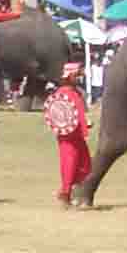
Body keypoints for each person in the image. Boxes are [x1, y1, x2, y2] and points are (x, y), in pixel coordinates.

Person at [48, 62, 91, 206]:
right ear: (70, 76)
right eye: (77, 75)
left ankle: (74, 193)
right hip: (68, 137)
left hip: (76, 136)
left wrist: (85, 125)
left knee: (84, 164)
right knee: (69, 165)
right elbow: (57, 114)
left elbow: (79, 113)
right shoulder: (63, 93)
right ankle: (65, 193)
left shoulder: (74, 93)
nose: (79, 78)